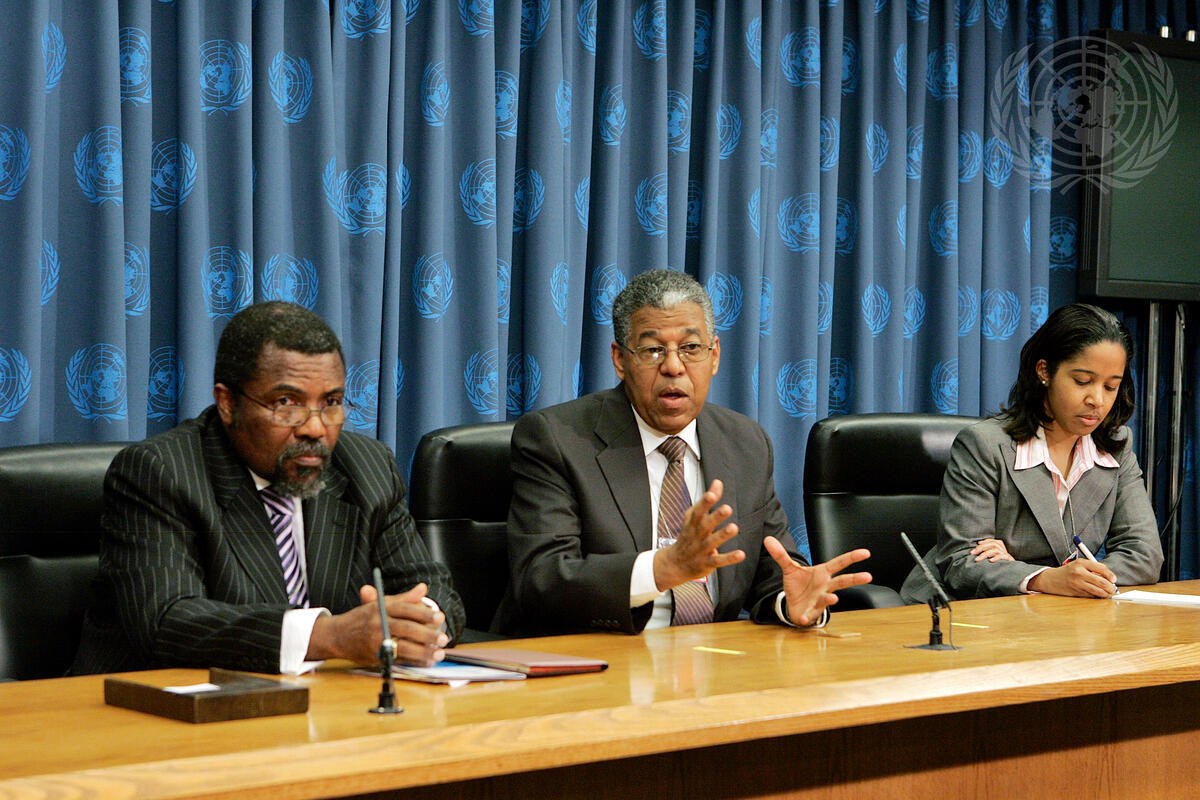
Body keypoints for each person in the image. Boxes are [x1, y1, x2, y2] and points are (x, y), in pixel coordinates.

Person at [72, 301, 464, 675]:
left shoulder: (367, 467)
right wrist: (329, 636)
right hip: (156, 705)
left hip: (327, 704)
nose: (315, 427)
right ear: (227, 403)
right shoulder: (161, 473)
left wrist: (416, 622)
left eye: (331, 402)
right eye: (287, 402)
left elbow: (434, 589)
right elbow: (168, 620)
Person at [492, 269, 871, 637]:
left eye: (690, 348)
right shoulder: (557, 439)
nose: (673, 367)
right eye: (652, 350)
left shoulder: (745, 443)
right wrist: (661, 570)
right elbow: (541, 579)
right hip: (596, 659)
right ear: (620, 359)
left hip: (711, 660)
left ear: (715, 355)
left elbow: (775, 570)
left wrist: (789, 602)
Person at [900, 303, 1162, 603]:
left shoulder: (1116, 445)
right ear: (1044, 371)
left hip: (1052, 611)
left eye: (1111, 386)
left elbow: (1145, 555)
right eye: (1082, 381)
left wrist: (1067, 578)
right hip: (959, 610)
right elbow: (961, 563)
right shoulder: (985, 445)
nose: (1097, 400)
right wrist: (1047, 579)